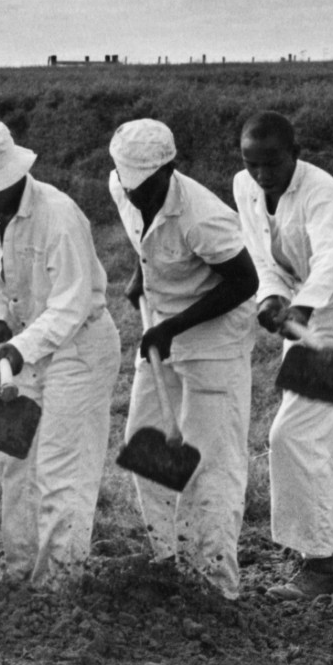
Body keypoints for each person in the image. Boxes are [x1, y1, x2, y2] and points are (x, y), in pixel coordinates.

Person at [0, 120, 119, 589]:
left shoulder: (59, 217)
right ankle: (21, 575)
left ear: (13, 176)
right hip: (23, 348)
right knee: (16, 464)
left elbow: (71, 304)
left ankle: (58, 585)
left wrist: (18, 348)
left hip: (77, 348)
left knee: (61, 467)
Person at [109, 119, 259, 600]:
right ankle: (168, 563)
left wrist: (173, 328)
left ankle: (213, 584)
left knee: (210, 461)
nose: (134, 196)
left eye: (144, 186)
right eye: (127, 185)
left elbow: (244, 283)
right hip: (165, 326)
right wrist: (139, 275)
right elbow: (145, 240)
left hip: (215, 335)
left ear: (168, 169)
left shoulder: (202, 216)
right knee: (144, 443)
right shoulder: (124, 186)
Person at [232, 112, 333, 599]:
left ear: (295, 151)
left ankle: (322, 567)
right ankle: (321, 563)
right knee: (317, 440)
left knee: (292, 433)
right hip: (304, 317)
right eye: (252, 163)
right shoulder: (244, 186)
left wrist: (300, 304)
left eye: (272, 162)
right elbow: (259, 254)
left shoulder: (321, 190)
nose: (262, 174)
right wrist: (270, 296)